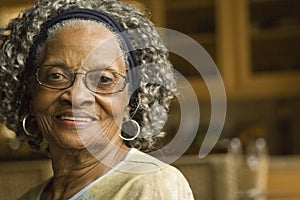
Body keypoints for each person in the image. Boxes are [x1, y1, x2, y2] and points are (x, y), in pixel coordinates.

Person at [0, 0, 194, 199]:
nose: (77, 96)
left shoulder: (152, 185)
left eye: (103, 79)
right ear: (29, 94)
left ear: (130, 103)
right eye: (56, 76)